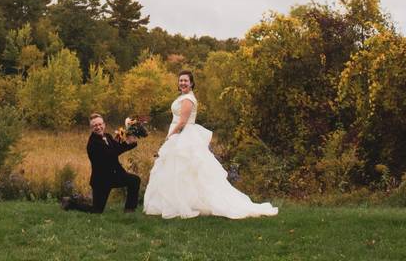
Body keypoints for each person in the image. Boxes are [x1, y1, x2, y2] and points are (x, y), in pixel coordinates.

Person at [143, 71, 279, 219]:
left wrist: (169, 136)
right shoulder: (183, 97)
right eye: (180, 80)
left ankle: (185, 204)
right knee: (178, 171)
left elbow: (182, 122)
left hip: (183, 135)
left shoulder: (188, 99)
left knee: (185, 171)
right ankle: (179, 203)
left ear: (191, 83)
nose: (182, 83)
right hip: (179, 135)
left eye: (185, 81)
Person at [62, 113, 140, 213]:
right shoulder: (93, 143)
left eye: (100, 124)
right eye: (95, 126)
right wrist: (126, 143)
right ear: (91, 128)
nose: (98, 127)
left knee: (134, 180)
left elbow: (117, 148)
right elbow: (111, 154)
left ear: (104, 124)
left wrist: (131, 142)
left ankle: (129, 210)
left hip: (115, 175)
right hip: (102, 181)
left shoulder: (107, 136)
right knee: (97, 210)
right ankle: (70, 203)